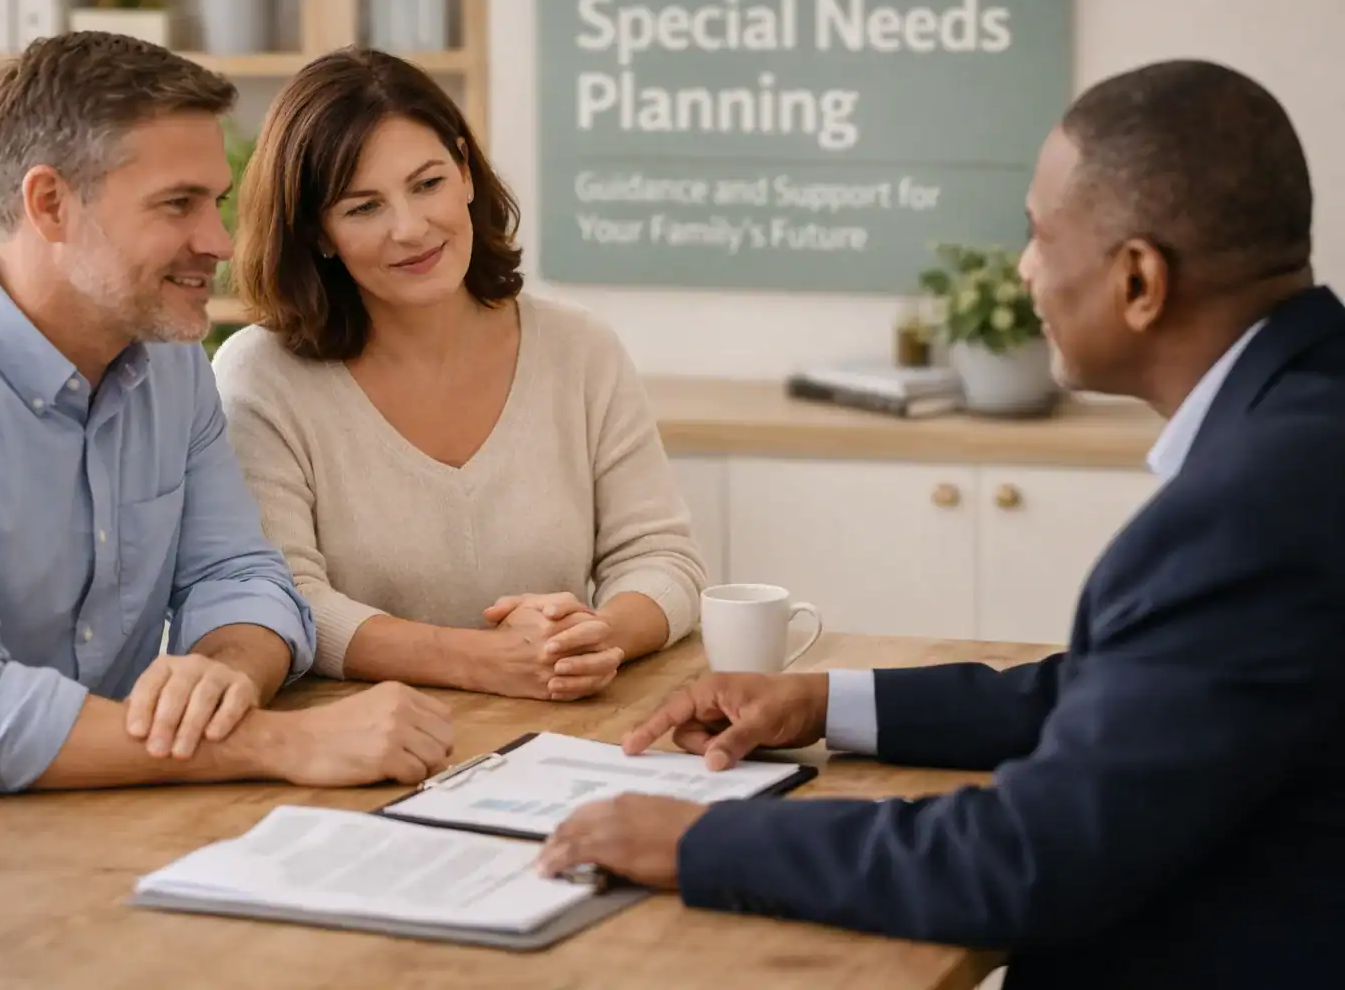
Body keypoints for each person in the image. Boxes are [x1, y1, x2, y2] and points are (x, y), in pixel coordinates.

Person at [536, 59, 1345, 988]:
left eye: (1040, 238)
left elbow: (1026, 856)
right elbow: (1128, 696)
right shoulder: (1305, 424)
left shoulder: (1252, 506)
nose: (1024, 270)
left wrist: (707, 841)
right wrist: (825, 703)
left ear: (1139, 281)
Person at [0, 33, 455, 853]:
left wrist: (223, 675)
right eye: (177, 204)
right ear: (49, 205)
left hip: (97, 835)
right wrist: (283, 742)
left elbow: (238, 575)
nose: (219, 244)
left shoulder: (172, 366)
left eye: (216, 203)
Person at [211, 48, 708, 701]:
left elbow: (662, 559)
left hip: (560, 731)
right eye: (363, 208)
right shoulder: (260, 377)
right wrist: (481, 659)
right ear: (319, 234)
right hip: (355, 753)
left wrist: (593, 638)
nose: (411, 228)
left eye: (428, 183)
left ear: (467, 173)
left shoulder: (578, 348)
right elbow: (285, 601)